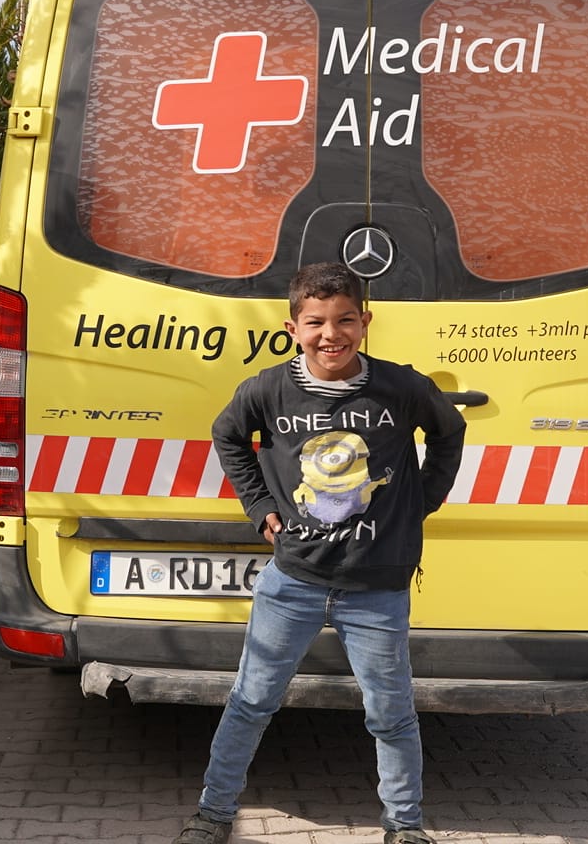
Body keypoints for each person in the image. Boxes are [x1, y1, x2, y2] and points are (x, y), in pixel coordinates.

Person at [174, 263, 467, 844]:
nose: (330, 334)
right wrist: (259, 507)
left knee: (390, 713)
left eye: (344, 320)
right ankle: (212, 814)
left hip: (377, 587)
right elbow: (229, 435)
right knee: (251, 700)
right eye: (316, 323)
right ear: (292, 327)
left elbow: (449, 431)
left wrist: (419, 502)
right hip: (294, 581)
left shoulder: (400, 387)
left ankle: (405, 827)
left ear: (365, 321)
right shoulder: (267, 390)